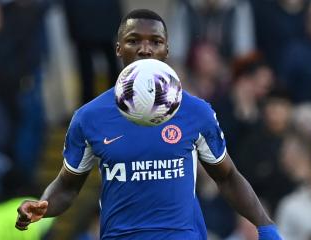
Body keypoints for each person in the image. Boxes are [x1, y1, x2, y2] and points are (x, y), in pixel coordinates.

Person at [15, 9, 282, 240]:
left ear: (166, 50)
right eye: (133, 40)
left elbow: (227, 177)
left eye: (155, 41)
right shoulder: (89, 117)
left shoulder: (196, 111)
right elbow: (68, 185)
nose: (145, 48)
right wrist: (44, 205)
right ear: (118, 48)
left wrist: (265, 225)